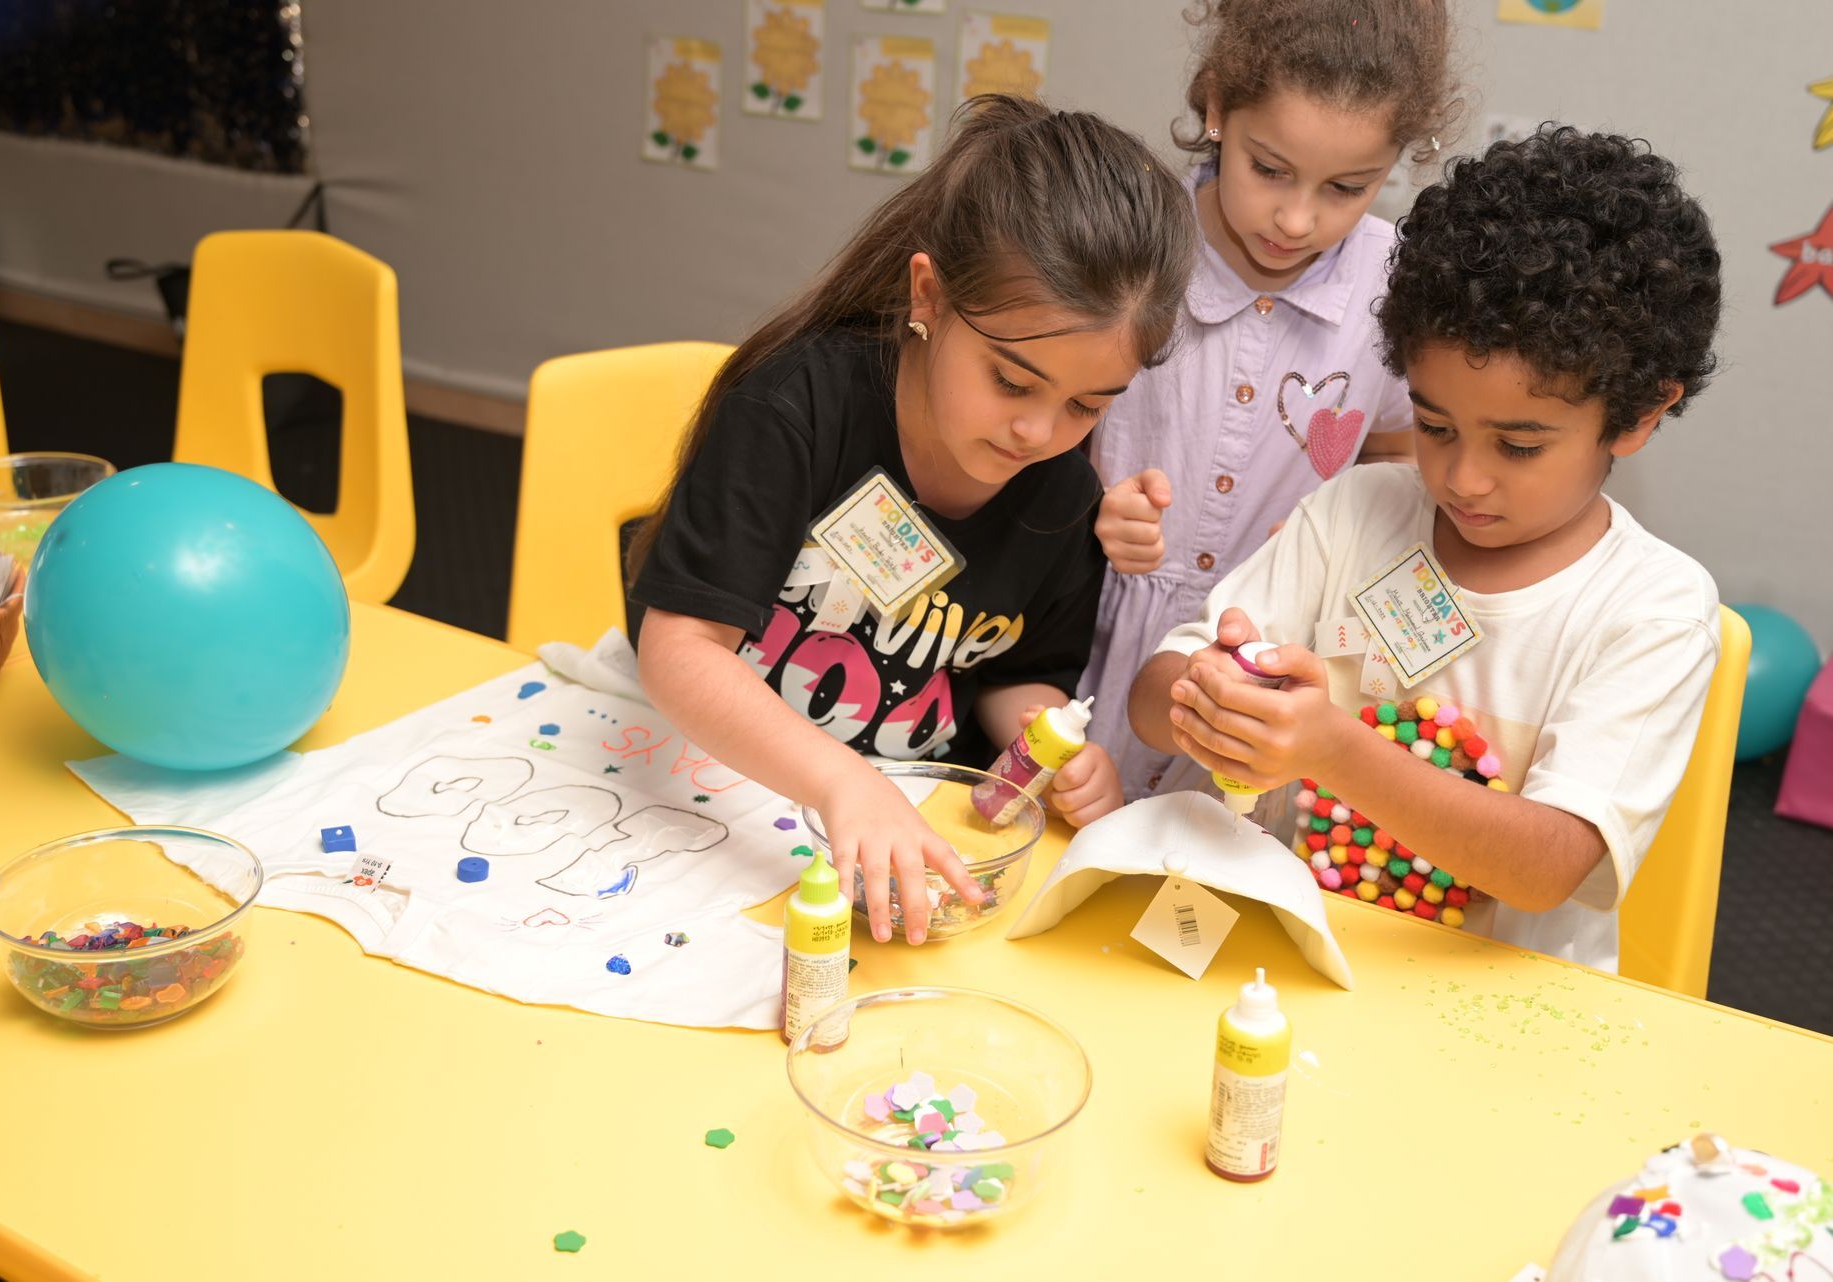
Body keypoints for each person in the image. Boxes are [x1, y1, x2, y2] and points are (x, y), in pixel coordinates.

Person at [1128, 126, 1724, 971]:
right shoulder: (1357, 512)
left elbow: (1548, 866)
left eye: (1518, 446)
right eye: (1436, 426)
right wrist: (1210, 698)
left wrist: (1332, 746)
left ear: (1637, 415)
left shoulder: (1652, 606)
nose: (1465, 479)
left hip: (1492, 1012)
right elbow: (1152, 701)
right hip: (1286, 964)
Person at [628, 97, 1196, 944]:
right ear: (928, 293)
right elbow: (679, 649)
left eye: (1086, 404)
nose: (1037, 433)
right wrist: (842, 782)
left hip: (907, 829)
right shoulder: (798, 410)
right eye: (1011, 381)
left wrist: (1054, 747)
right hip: (715, 779)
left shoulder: (1063, 496)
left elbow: (1014, 672)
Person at [1087, 0, 1462, 801]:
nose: (1296, 219)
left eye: (1347, 188)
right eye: (1269, 169)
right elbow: (1038, 421)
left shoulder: (1392, 284)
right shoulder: (1135, 245)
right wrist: (1091, 502)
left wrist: (1351, 520)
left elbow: (1400, 448)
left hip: (1265, 662)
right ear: (1218, 106)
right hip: (1097, 629)